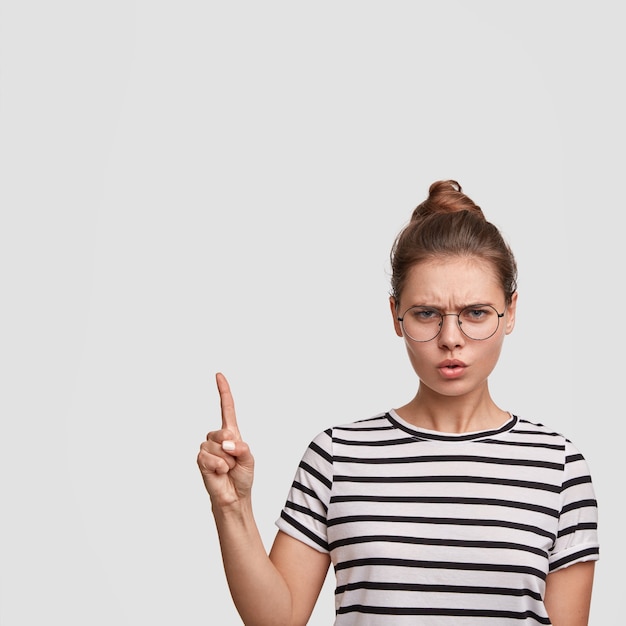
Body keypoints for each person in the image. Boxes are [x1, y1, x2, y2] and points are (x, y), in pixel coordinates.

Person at [197, 180, 599, 625]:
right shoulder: (337, 457)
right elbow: (277, 620)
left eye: (476, 313)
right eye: (426, 313)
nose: (450, 339)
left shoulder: (558, 465)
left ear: (511, 312)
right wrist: (231, 508)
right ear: (395, 315)